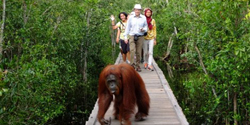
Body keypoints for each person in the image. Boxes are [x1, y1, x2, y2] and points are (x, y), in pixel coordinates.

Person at [124, 4, 148, 72]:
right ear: (134, 10)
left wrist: (143, 29)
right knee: (132, 50)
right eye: (136, 9)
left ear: (140, 10)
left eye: (138, 10)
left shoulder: (143, 17)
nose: (137, 11)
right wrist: (125, 37)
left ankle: (137, 66)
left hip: (140, 36)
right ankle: (132, 65)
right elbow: (128, 27)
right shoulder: (131, 18)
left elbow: (146, 27)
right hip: (132, 35)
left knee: (138, 52)